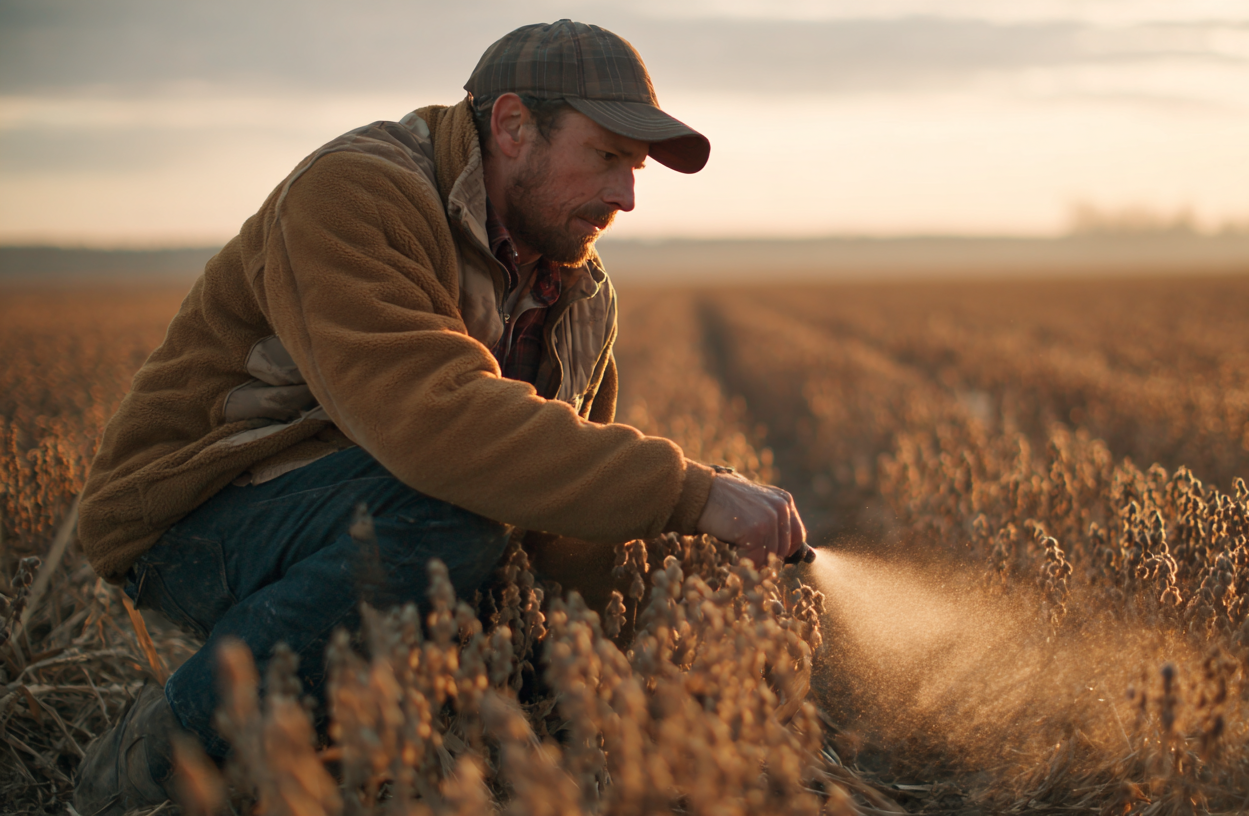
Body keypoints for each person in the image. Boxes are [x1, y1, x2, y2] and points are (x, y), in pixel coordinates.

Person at [71, 20, 808, 815]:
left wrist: (590, 677)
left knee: (561, 575)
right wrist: (691, 491)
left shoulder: (580, 293)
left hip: (367, 505)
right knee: (449, 514)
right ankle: (159, 760)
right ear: (513, 126)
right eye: (606, 157)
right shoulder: (355, 194)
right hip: (197, 512)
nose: (626, 196)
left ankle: (348, 741)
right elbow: (439, 423)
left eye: (635, 170)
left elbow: (558, 513)